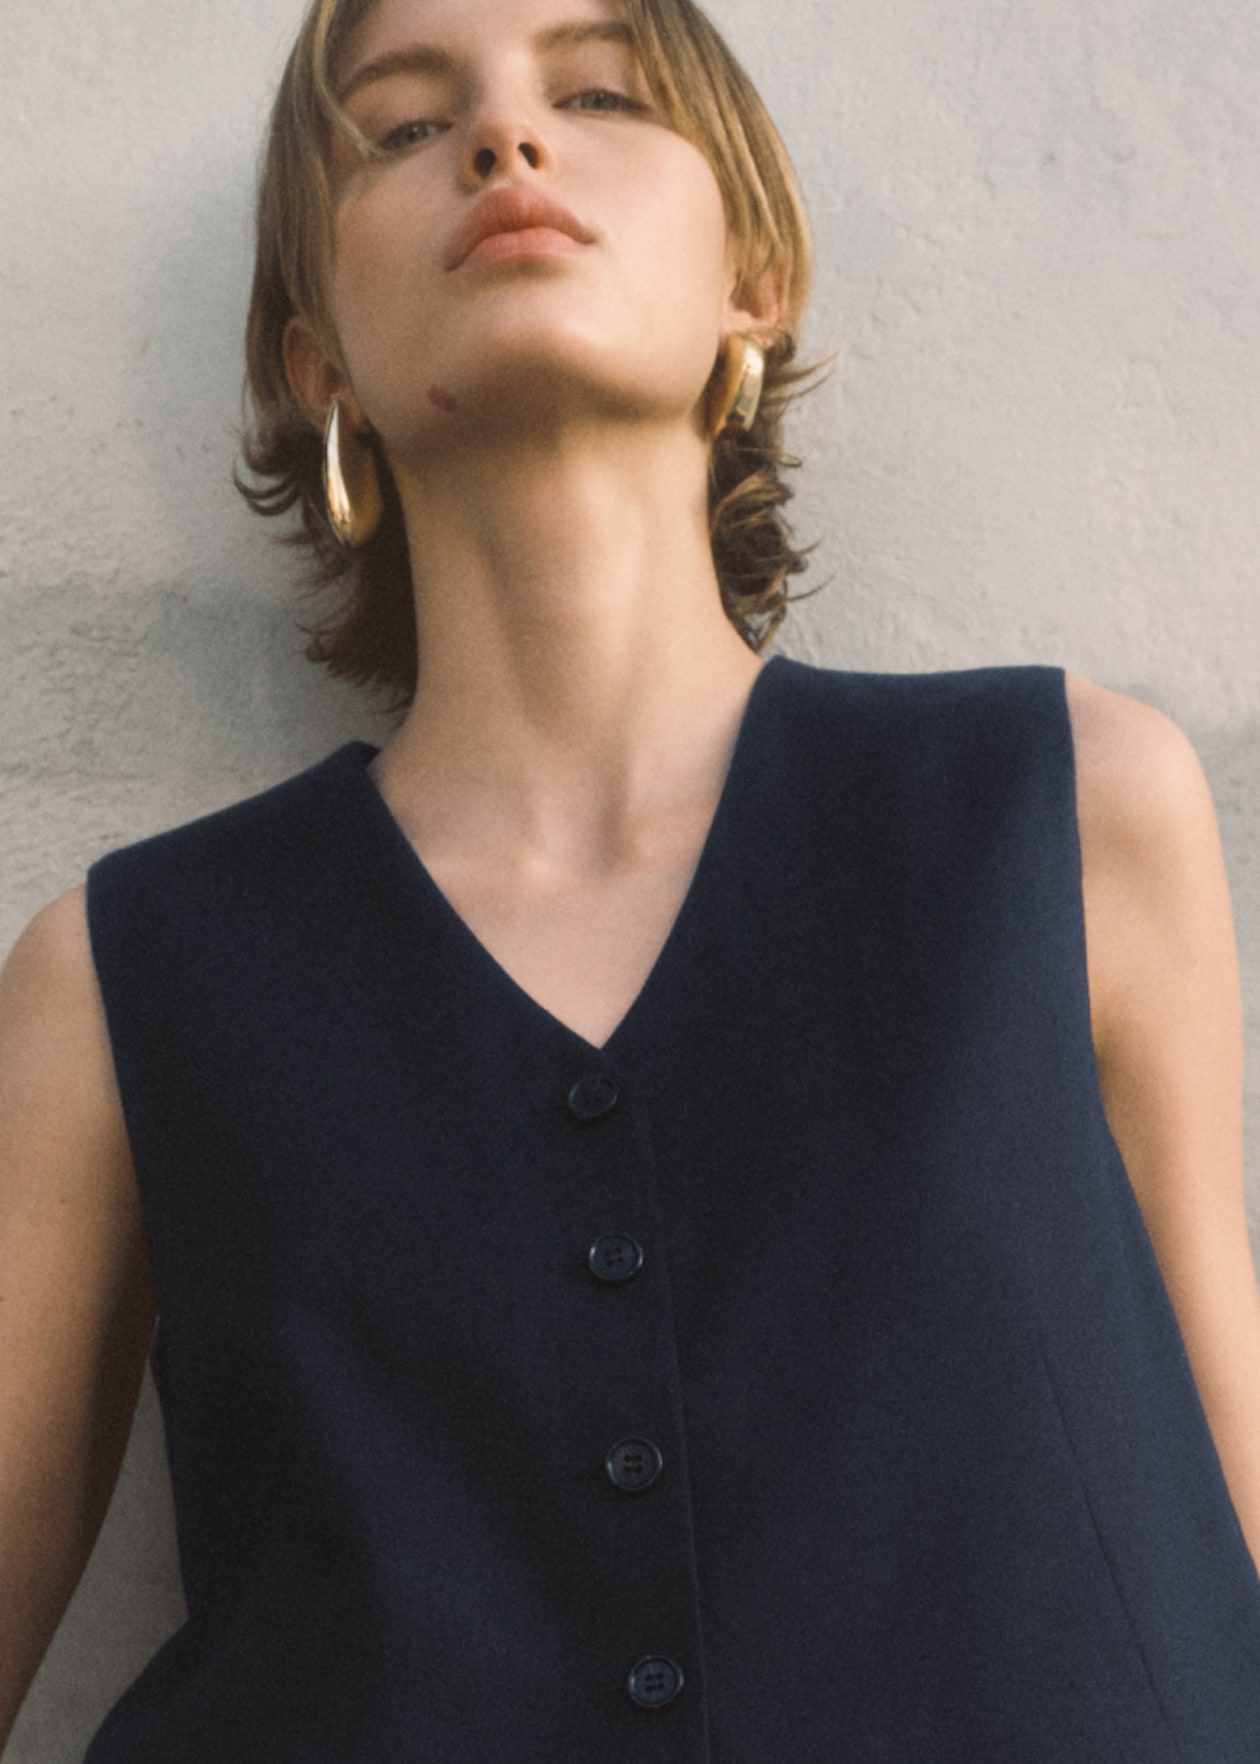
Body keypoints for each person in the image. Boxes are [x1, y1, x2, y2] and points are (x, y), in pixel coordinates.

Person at [2, 0, 1259, 1756]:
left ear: (756, 274)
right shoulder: (125, 980)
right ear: (313, 364)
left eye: (597, 92)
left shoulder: (1068, 812)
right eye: (401, 127)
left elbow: (1225, 1525)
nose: (505, 139)